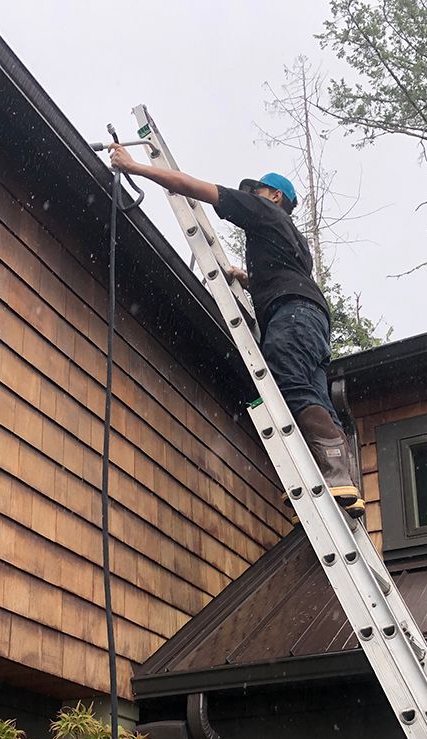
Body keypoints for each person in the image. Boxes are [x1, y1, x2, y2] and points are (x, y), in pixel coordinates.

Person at [108, 144, 364, 517]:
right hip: (312, 318)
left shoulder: (264, 211)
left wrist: (134, 166)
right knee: (315, 394)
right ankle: (342, 479)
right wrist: (248, 279)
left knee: (287, 382)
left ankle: (331, 471)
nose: (251, 197)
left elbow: (192, 186)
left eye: (257, 191)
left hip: (292, 315)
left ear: (275, 196)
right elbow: (284, 273)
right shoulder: (294, 238)